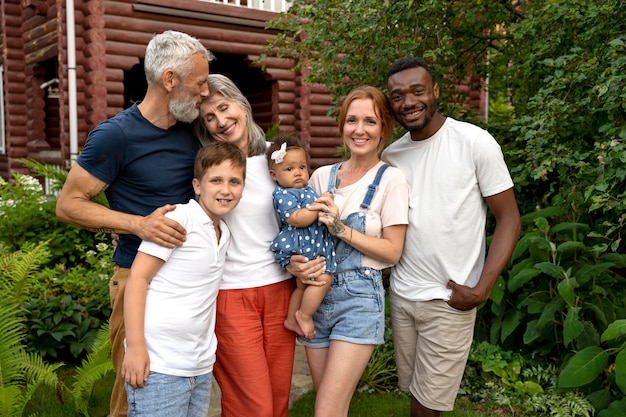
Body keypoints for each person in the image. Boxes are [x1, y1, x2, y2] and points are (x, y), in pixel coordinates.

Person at [55, 30, 213, 417]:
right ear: (170, 79)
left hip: (192, 286)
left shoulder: (190, 131)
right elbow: (69, 204)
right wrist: (137, 224)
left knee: (187, 389)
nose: (206, 92)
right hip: (140, 280)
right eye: (200, 82)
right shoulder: (116, 135)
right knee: (134, 393)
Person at [381, 57, 521, 417]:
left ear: (435, 92)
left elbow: (509, 218)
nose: (408, 102)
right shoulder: (391, 156)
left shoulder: (474, 142)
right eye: (398, 96)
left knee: (428, 406)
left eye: (417, 91)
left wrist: (483, 287)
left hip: (449, 298)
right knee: (415, 394)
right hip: (403, 295)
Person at [193, 73, 309, 417]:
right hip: (232, 294)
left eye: (224, 108)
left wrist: (300, 261)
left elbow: (294, 221)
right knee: (251, 406)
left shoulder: (274, 166)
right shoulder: (211, 168)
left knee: (277, 402)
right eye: (209, 117)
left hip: (279, 291)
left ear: (243, 107)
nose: (220, 121)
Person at [292, 85, 410, 417]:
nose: (360, 130)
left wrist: (342, 229)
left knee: (326, 410)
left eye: (370, 121)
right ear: (342, 125)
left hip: (359, 299)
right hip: (315, 298)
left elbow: (393, 251)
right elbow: (301, 236)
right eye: (352, 120)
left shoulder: (391, 181)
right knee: (330, 406)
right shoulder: (320, 177)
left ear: (383, 128)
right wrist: (295, 267)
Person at [121, 141, 245, 417]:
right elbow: (138, 279)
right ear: (197, 186)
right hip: (159, 364)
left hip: (199, 365)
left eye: (234, 181)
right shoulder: (180, 219)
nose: (225, 189)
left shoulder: (223, 233)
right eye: (216, 180)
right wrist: (136, 347)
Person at [267, 133, 336, 339]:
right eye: (289, 169)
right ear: (273, 175)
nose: (297, 173)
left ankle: (290, 320)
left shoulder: (308, 190)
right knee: (324, 278)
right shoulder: (283, 194)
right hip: (302, 245)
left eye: (302, 167)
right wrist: (319, 206)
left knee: (301, 285)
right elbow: (297, 218)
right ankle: (304, 315)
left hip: (312, 243)